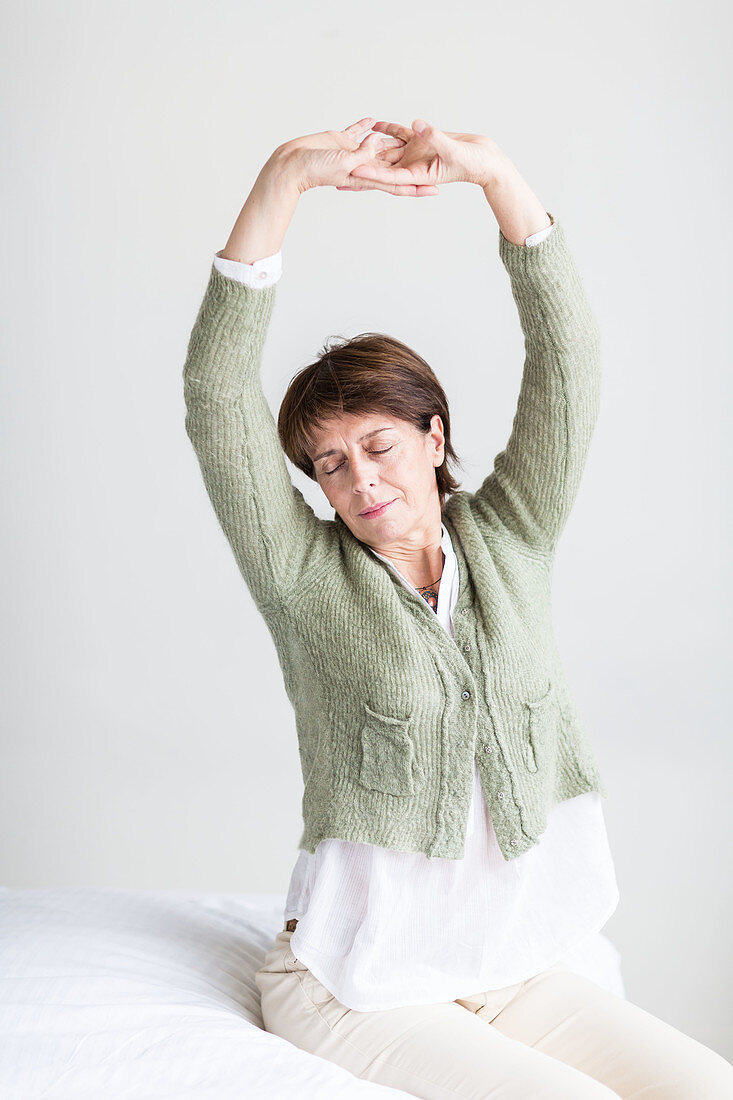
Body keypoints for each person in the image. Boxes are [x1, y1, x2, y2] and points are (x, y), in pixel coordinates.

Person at [182, 116, 733, 1098]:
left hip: (504, 971)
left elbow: (570, 362)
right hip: (356, 981)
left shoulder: (512, 535)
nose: (358, 478)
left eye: (379, 444)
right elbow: (216, 393)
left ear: (434, 436)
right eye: (328, 463)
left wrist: (496, 178)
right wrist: (282, 180)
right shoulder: (305, 578)